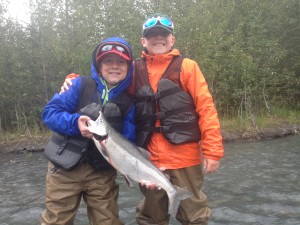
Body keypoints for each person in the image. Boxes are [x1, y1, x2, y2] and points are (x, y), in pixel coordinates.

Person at [62, 13, 224, 225]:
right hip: (148, 158)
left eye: (163, 34)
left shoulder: (188, 67)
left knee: (194, 216)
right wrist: (73, 80)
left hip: (185, 157)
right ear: (143, 41)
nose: (158, 38)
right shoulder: (134, 69)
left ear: (172, 39)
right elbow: (108, 84)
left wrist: (213, 150)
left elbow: (206, 108)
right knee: (151, 217)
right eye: (152, 35)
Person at [40, 37, 135, 225]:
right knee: (56, 222)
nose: (114, 66)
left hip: (102, 174)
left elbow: (129, 141)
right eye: (108, 61)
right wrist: (76, 123)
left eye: (121, 62)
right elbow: (49, 113)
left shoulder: (129, 102)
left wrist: (135, 172)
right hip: (64, 170)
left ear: (128, 67)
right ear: (99, 65)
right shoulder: (78, 85)